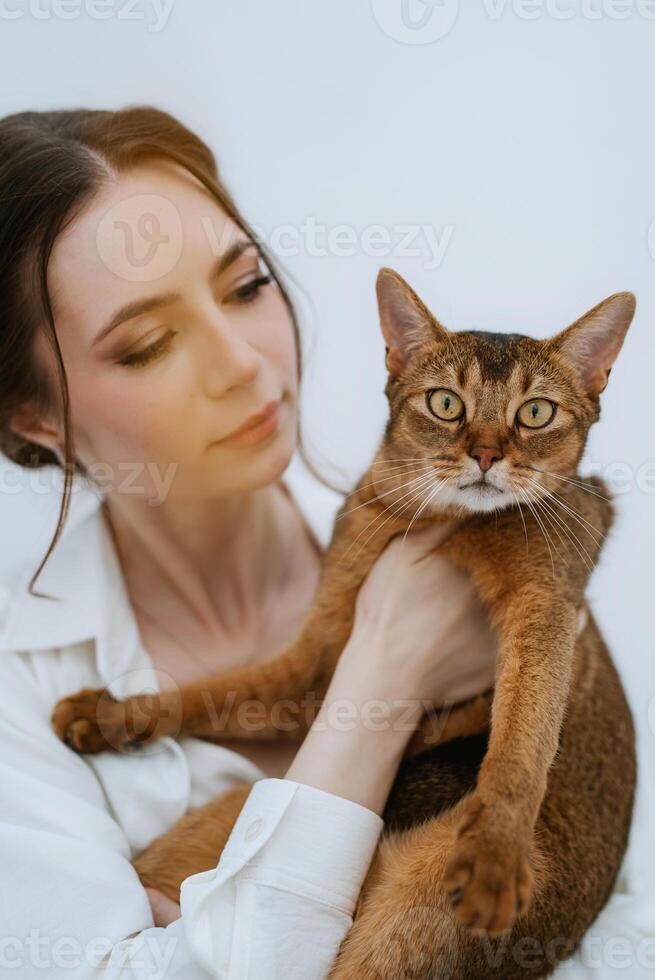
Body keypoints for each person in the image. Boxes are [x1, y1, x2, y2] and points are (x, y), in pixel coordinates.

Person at [0, 106, 499, 979]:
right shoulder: (17, 685)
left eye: (246, 285)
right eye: (149, 344)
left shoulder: (467, 552)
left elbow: (608, 908)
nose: (240, 363)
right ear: (36, 417)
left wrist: (207, 938)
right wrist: (385, 682)